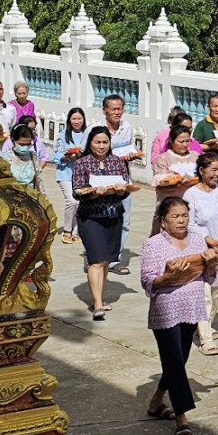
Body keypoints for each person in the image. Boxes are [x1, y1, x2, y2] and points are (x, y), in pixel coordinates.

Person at [139, 196, 208, 435]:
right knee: (175, 362)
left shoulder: (198, 241)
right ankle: (181, 418)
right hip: (166, 310)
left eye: (185, 215)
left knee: (179, 358)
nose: (181, 221)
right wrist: (167, 276)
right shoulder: (153, 245)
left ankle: (157, 400)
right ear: (163, 221)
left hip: (191, 307)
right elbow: (148, 281)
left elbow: (209, 276)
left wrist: (212, 263)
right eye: (175, 216)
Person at [180, 150, 218, 355]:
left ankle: (204, 325)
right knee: (204, 293)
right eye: (212, 170)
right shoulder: (191, 194)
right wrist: (209, 240)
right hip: (202, 251)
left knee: (217, 291)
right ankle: (206, 339)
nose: (217, 174)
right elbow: (191, 224)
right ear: (201, 170)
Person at [70, 127, 133, 320]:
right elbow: (77, 190)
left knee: (106, 260)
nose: (101, 146)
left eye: (105, 142)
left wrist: (121, 190)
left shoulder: (117, 162)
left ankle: (100, 296)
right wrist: (93, 192)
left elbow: (126, 187)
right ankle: (97, 303)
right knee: (96, 260)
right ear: (90, 143)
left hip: (113, 215)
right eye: (97, 142)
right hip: (91, 217)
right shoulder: (82, 163)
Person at [99, 95, 141, 273]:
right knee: (102, 219)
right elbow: (86, 155)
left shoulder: (127, 127)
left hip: (123, 181)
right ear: (105, 111)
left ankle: (115, 260)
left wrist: (130, 156)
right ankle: (96, 256)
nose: (117, 112)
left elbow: (128, 148)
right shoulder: (96, 129)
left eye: (120, 109)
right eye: (113, 109)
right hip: (102, 182)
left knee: (123, 221)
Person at [51, 107, 90, 244]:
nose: (77, 121)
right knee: (72, 201)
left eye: (79, 118)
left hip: (83, 175)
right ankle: (67, 229)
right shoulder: (62, 135)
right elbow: (55, 155)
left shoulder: (88, 135)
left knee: (82, 202)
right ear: (69, 120)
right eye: (74, 118)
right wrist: (67, 157)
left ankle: (76, 231)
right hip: (66, 173)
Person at [153, 121, 199, 201]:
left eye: (187, 141)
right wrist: (179, 182)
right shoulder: (163, 159)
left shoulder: (196, 156)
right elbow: (161, 185)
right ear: (171, 141)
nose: (184, 145)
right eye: (181, 142)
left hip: (193, 202)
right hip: (171, 203)